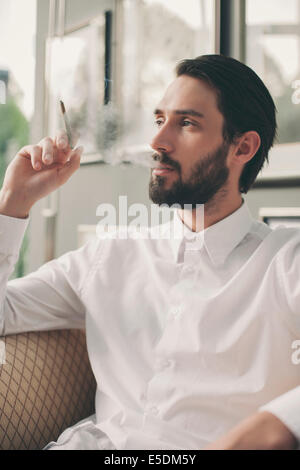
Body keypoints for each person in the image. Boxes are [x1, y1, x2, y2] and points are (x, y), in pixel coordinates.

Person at [0, 54, 299, 450]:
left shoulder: (286, 262)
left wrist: (264, 430)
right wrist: (13, 202)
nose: (157, 141)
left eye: (187, 123)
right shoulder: (110, 256)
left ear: (242, 147)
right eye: (160, 121)